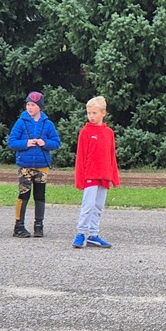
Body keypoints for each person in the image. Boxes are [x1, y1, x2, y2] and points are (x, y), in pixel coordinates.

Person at [7, 91, 61, 238]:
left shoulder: (48, 124)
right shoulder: (21, 122)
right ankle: (19, 226)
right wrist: (25, 143)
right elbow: (12, 142)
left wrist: (45, 143)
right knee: (23, 195)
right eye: (28, 105)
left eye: (33, 105)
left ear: (40, 107)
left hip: (42, 166)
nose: (29, 108)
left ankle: (39, 226)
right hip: (25, 166)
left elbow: (56, 142)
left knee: (40, 196)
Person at [73, 95, 119, 249]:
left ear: (103, 113)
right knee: (88, 206)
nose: (91, 116)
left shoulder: (109, 133)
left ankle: (93, 235)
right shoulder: (85, 132)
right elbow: (81, 157)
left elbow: (111, 156)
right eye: (89, 113)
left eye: (94, 113)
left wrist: (114, 176)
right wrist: (80, 179)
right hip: (90, 175)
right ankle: (80, 233)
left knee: (98, 206)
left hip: (104, 175)